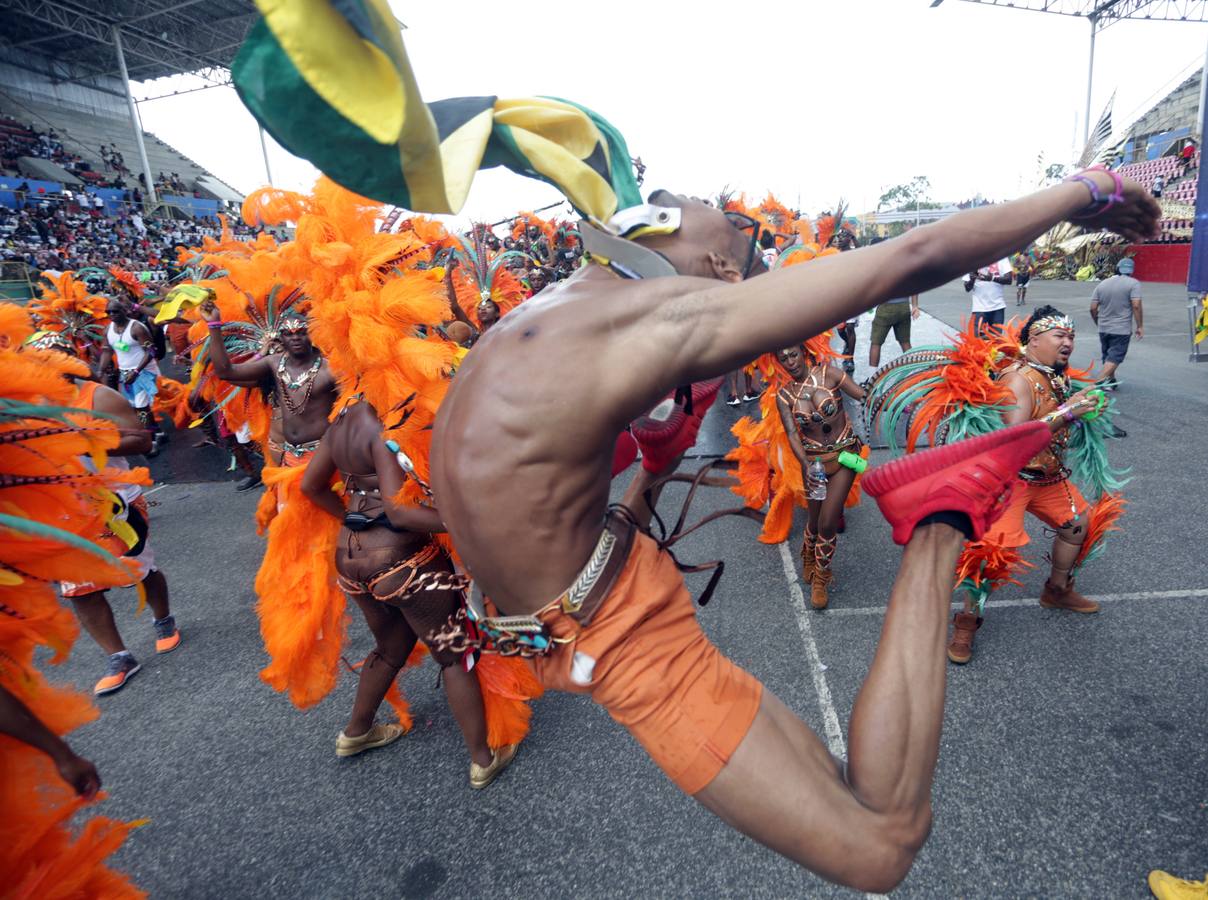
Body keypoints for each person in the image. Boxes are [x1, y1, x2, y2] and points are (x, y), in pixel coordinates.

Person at [427, 179, 1157, 890]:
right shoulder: (572, 298)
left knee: (881, 844)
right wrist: (636, 490)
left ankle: (940, 517)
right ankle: (938, 508)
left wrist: (1085, 191)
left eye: (729, 226)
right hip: (565, 616)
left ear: (718, 271)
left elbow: (911, 256)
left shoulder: (651, 316)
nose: (707, 205)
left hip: (615, 637)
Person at [299, 400, 516, 784]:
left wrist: (353, 517)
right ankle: (484, 758)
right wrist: (469, 522)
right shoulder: (387, 422)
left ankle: (357, 732)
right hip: (402, 561)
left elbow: (310, 485)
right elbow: (400, 513)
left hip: (351, 558)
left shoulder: (343, 419)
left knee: (390, 646)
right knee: (453, 655)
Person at [945, 306, 1115, 664]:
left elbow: (1063, 419)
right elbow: (1014, 438)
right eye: (1059, 336)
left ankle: (1057, 589)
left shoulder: (1056, 375)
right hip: (1012, 481)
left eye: (1071, 336)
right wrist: (1068, 412)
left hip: (1050, 477)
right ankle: (966, 622)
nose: (1068, 342)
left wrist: (1083, 412)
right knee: (991, 555)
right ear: (1034, 340)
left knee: (1078, 525)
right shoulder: (1018, 379)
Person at [52, 337, 181, 694]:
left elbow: (141, 441)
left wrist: (83, 441)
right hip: (62, 509)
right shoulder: (26, 405)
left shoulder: (99, 396)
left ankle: (163, 619)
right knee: (79, 590)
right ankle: (119, 655)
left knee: (138, 571)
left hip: (115, 502)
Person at [775, 343, 865, 608]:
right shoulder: (784, 396)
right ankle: (808, 553)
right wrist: (805, 464)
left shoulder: (831, 375)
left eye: (793, 354)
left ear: (803, 353)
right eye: (784, 358)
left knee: (828, 521)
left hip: (845, 456)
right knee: (814, 520)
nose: (790, 361)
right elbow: (792, 433)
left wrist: (887, 396)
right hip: (814, 463)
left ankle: (821, 577)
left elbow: (862, 395)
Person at [199, 301, 337, 467]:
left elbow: (351, 411)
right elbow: (226, 372)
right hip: (288, 455)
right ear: (281, 338)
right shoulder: (274, 364)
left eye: (302, 332)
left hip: (325, 455)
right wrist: (214, 325)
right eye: (288, 334)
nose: (295, 338)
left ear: (313, 334)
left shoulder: (330, 368)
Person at [97, 296, 163, 455]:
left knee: (141, 407)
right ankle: (158, 432)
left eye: (115, 311)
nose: (111, 314)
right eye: (108, 312)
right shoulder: (108, 330)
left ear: (125, 311)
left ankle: (151, 441)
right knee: (136, 406)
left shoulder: (137, 328)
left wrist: (136, 372)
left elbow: (151, 351)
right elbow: (107, 350)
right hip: (126, 373)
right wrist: (100, 370)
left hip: (144, 372)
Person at [1091, 256, 1143, 410]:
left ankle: (1111, 382)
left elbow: (1093, 307)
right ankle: (1097, 384)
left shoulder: (1102, 284)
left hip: (1104, 327)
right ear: (1131, 271)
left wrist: (1098, 321)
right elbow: (1136, 305)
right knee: (1115, 356)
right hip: (1121, 329)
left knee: (1108, 356)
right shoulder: (1134, 284)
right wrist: (1140, 325)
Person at [867, 295, 920, 369]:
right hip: (904, 305)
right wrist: (915, 306)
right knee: (905, 342)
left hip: (886, 306)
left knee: (876, 343)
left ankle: (871, 375)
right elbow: (914, 286)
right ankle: (913, 371)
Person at [963, 258, 1012, 332]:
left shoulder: (1002, 258)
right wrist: (972, 279)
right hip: (979, 308)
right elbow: (967, 288)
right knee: (975, 338)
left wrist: (992, 278)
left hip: (997, 307)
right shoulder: (972, 260)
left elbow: (1009, 279)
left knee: (996, 339)